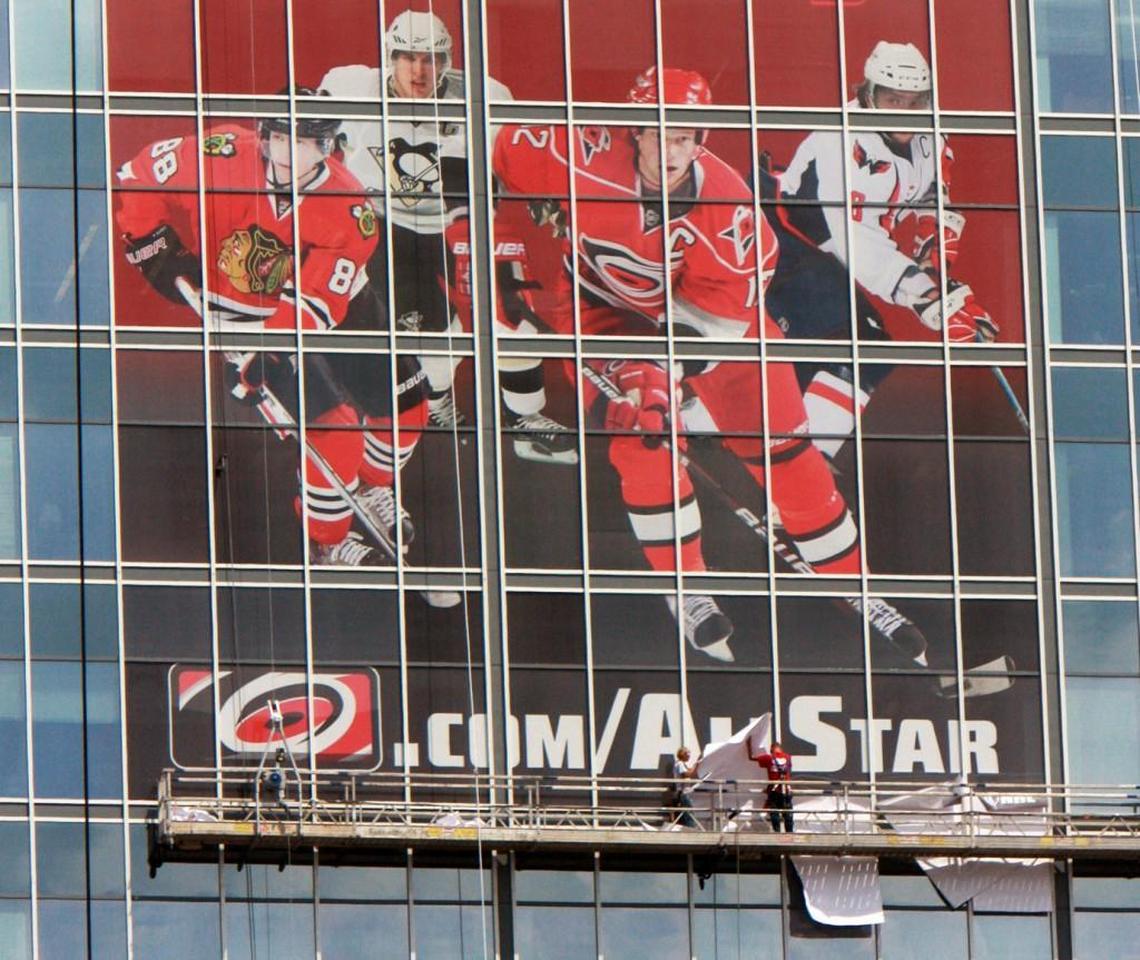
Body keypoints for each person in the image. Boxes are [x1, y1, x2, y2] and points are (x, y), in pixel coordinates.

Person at [492, 66, 864, 663]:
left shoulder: (732, 216)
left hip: (719, 330)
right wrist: (504, 253)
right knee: (642, 440)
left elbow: (716, 324)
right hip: (604, 316)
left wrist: (670, 381)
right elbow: (495, 153)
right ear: (634, 131)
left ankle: (855, 586)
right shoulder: (575, 151)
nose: (670, 151)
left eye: (684, 137)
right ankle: (688, 586)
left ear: (700, 140)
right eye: (659, 135)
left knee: (788, 455)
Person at [114, 101, 397, 568]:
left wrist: (266, 357)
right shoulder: (221, 154)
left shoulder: (349, 207)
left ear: (327, 148)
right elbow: (136, 172)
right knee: (336, 431)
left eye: (305, 142)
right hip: (233, 316)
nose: (289, 152)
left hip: (294, 314)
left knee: (386, 396)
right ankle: (326, 537)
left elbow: (318, 302)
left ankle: (358, 488)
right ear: (264, 134)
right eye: (281, 137)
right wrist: (149, 243)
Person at [320, 10, 578, 467]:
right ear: (389, 56)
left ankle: (526, 419)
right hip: (384, 226)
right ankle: (436, 403)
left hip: (465, 222)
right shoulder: (348, 88)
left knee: (511, 311)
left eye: (432, 59)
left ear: (448, 61)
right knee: (430, 330)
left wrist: (545, 198)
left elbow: (523, 157)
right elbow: (309, 139)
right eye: (409, 58)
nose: (420, 71)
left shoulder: (484, 94)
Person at [767, 41, 998, 458]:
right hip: (782, 242)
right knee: (860, 348)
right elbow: (856, 243)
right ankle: (803, 472)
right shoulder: (842, 140)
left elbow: (934, 194)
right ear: (867, 94)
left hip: (823, 257)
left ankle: (700, 421)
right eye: (893, 99)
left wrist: (935, 256)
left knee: (823, 361)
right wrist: (927, 296)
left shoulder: (931, 133)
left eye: (915, 101)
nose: (904, 111)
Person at [752, 741, 794, 832]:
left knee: (774, 811)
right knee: (788, 812)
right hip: (786, 790)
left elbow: (751, 757)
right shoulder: (788, 757)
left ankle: (777, 831)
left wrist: (748, 744)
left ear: (771, 749)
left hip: (774, 791)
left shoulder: (768, 758)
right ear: (781, 748)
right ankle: (790, 832)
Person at [672, 745, 701, 828]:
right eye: (688, 754)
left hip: (682, 792)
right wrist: (697, 765)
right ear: (683, 755)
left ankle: (686, 828)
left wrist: (696, 764)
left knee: (685, 814)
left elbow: (689, 770)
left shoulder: (680, 764)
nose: (689, 756)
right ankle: (690, 829)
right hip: (683, 793)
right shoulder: (680, 764)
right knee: (689, 815)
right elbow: (686, 774)